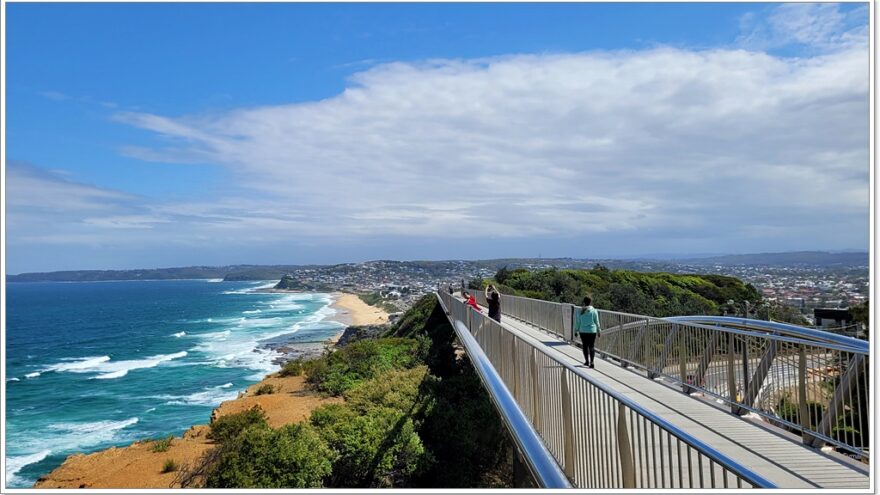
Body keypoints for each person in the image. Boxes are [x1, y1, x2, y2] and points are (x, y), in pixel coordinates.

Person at [574, 296, 601, 368]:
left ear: (584, 302)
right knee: (591, 346)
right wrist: (599, 330)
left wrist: (576, 330)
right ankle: (592, 362)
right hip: (592, 331)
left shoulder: (580, 311)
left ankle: (586, 361)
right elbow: (596, 321)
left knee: (585, 346)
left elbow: (578, 322)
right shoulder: (594, 311)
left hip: (583, 331)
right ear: (590, 302)